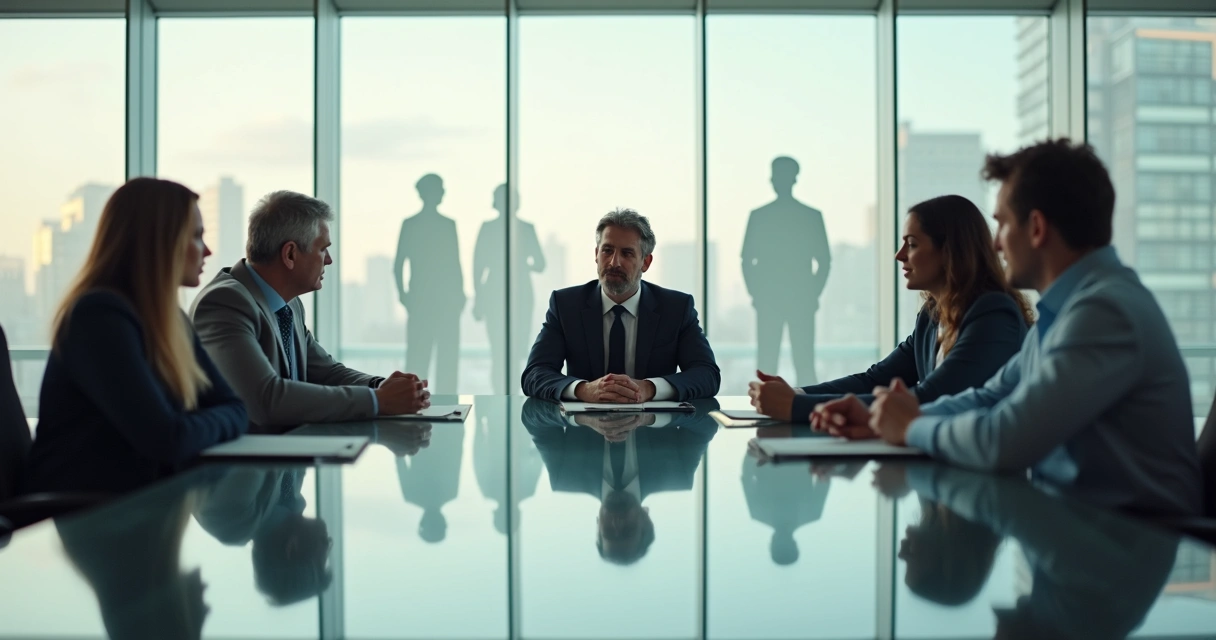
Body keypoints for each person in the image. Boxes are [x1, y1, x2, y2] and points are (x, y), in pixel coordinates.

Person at [817, 139, 1203, 516]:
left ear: (1036, 228)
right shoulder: (1066, 312)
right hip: (1079, 533)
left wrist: (911, 426)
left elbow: (1004, 439)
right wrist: (878, 418)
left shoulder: (1106, 312)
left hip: (1131, 547)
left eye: (1001, 223)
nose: (996, 244)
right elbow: (987, 397)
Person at [23, 178, 248, 495]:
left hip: (141, 503)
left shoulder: (171, 322)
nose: (207, 250)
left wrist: (195, 427)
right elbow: (167, 439)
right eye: (196, 236)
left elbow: (235, 408)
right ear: (161, 241)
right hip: (84, 517)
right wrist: (206, 425)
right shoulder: (98, 318)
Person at [750, 195, 1032, 422]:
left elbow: (931, 398)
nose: (899, 256)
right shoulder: (932, 316)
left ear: (949, 251)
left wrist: (798, 406)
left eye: (912, 244)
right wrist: (795, 393)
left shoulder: (993, 314)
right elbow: (876, 380)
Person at [191, 191, 429, 432]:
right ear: (290, 254)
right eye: (323, 249)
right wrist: (379, 401)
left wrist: (382, 387)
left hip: (286, 456)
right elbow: (266, 399)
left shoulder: (288, 304)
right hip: (243, 466)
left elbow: (326, 372)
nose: (329, 260)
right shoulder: (225, 302)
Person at [522, 208, 721, 402]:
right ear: (596, 254)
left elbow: (707, 374)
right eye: (607, 251)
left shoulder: (676, 308)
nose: (614, 262)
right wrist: (584, 390)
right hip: (584, 432)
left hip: (653, 431)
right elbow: (535, 373)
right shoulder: (566, 305)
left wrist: (649, 388)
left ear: (646, 262)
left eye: (627, 253)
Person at [521, 397, 718, 565]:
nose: (616, 523)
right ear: (645, 519)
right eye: (627, 531)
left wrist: (579, 418)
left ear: (598, 524)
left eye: (609, 532)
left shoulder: (565, 476)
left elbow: (532, 416)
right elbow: (708, 419)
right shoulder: (677, 474)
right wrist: (653, 416)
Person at [742, 156, 831, 384]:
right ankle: (807, 411)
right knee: (801, 364)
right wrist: (813, 293)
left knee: (772, 363)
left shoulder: (760, 216)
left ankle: (766, 411)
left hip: (773, 299)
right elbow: (824, 261)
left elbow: (747, 260)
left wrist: (756, 294)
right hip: (798, 298)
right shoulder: (810, 216)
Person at [193, 466, 333, 606]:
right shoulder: (290, 495)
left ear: (293, 548)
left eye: (323, 558)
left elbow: (257, 449)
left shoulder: (234, 521)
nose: (328, 544)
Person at [394, 174, 466, 394]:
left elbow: (399, 265)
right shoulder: (442, 225)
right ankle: (433, 406)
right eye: (440, 188)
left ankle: (418, 405)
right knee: (434, 361)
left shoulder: (415, 224)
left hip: (428, 302)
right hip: (437, 303)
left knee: (423, 358)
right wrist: (404, 296)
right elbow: (454, 264)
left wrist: (405, 296)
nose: (443, 192)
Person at [472, 185, 546, 394]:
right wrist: (522, 265)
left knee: (499, 352)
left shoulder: (488, 228)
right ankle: (509, 398)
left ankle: (502, 397)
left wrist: (478, 298)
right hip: (520, 291)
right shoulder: (526, 228)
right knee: (514, 352)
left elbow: (478, 267)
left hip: (494, 291)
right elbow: (540, 263)